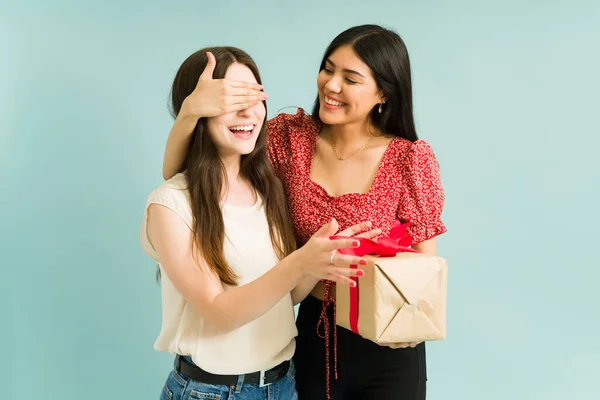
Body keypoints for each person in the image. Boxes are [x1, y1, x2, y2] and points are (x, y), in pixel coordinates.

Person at [161, 24, 447, 400]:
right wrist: (191, 112)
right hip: (311, 338)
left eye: (350, 78)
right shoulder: (289, 140)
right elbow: (182, 172)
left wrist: (411, 326)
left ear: (383, 93)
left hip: (389, 347)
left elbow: (425, 274)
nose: (331, 85)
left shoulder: (410, 159)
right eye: (328, 69)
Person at [141, 46, 377, 400]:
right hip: (211, 391)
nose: (248, 112)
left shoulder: (267, 189)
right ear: (197, 110)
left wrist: (321, 257)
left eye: (254, 96)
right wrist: (300, 261)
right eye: (228, 99)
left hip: (282, 385)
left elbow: (284, 298)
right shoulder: (171, 204)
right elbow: (219, 313)